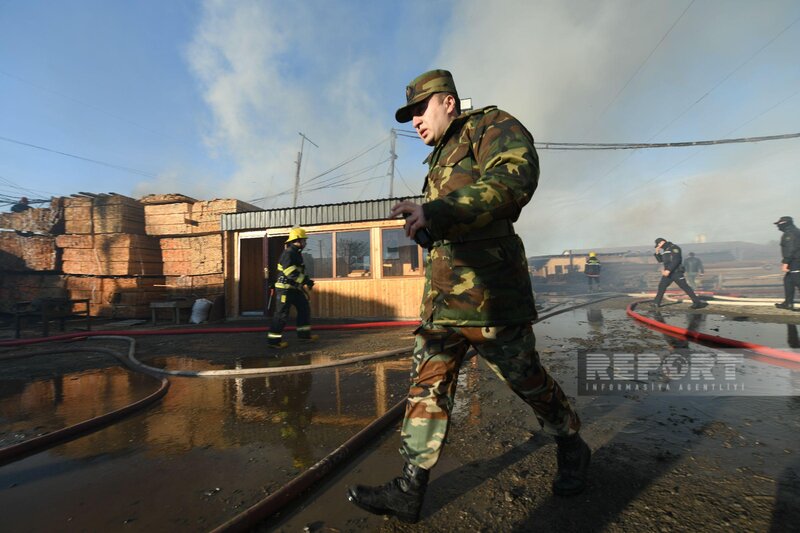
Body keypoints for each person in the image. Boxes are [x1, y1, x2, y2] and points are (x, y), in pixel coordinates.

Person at [346, 69, 589, 523]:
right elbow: (452, 220)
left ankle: (571, 441)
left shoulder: (490, 127)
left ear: (449, 103)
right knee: (427, 386)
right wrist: (426, 226)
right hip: (442, 300)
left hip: (490, 296)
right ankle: (409, 488)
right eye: (410, 115)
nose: (415, 121)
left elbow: (514, 182)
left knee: (526, 379)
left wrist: (435, 210)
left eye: (421, 109)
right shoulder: (439, 159)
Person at [267, 227, 317, 348]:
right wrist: (306, 280)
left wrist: (305, 282)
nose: (305, 243)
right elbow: (291, 272)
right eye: (304, 240)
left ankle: (304, 336)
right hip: (285, 290)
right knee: (281, 315)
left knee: (304, 309)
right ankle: (274, 342)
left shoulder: (296, 253)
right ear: (298, 240)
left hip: (294, 289)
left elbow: (296, 272)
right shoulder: (289, 253)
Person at [653, 237, 708, 309]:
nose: (658, 246)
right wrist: (657, 253)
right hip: (668, 273)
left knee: (685, 287)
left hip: (676, 272)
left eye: (658, 244)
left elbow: (676, 259)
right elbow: (661, 261)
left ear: (662, 242)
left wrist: (668, 270)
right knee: (661, 286)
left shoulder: (674, 248)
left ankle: (697, 303)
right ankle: (656, 303)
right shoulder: (665, 250)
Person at [774, 216, 800, 311]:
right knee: (788, 281)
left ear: (785, 223)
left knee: (797, 281)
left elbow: (790, 249)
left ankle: (788, 303)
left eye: (779, 224)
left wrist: (785, 263)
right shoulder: (796, 231)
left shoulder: (790, 234)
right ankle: (788, 303)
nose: (778, 227)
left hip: (795, 261)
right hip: (795, 260)